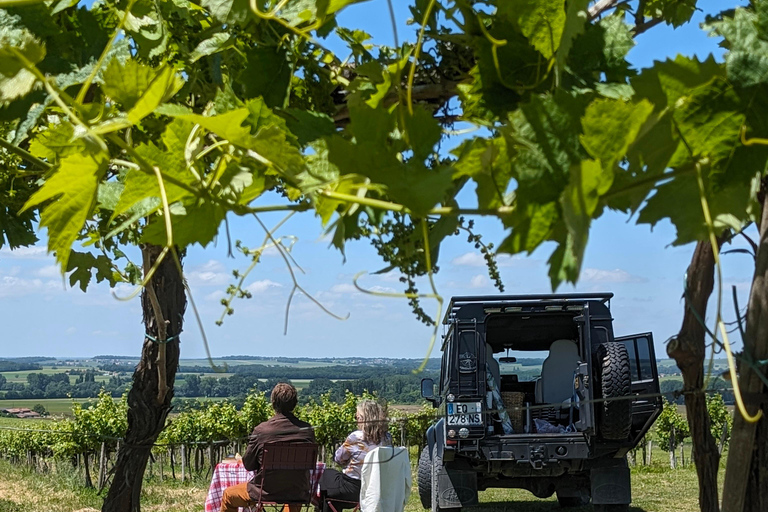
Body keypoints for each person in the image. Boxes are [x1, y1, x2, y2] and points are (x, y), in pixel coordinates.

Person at [220, 382, 316, 512]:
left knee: (228, 496)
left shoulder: (262, 431)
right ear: (294, 404)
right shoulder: (307, 430)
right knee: (293, 497)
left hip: (265, 492)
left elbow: (248, 465)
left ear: (273, 403)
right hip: (298, 492)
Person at [318, 400, 392, 512]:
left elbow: (338, 458)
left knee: (326, 475)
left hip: (352, 490)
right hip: (375, 489)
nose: (356, 421)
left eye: (357, 417)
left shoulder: (356, 437)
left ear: (363, 419)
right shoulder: (387, 438)